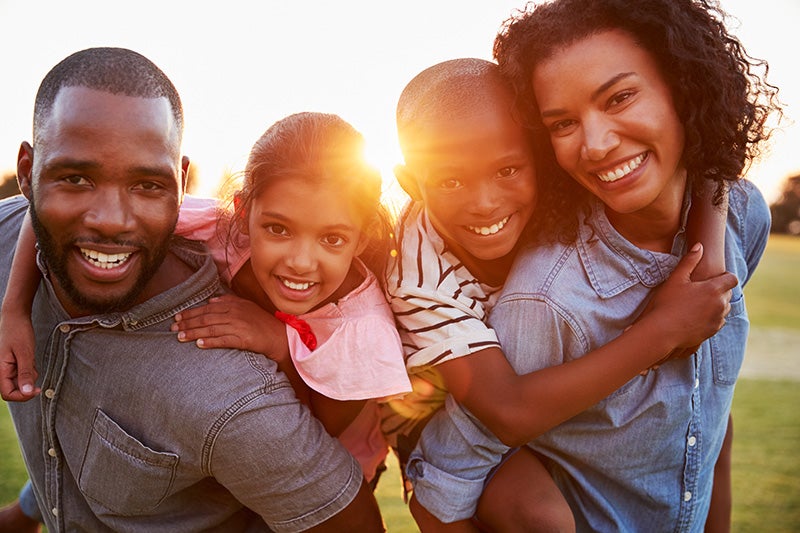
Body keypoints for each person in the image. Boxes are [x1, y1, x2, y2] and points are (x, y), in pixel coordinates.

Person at [406, 0, 778, 531]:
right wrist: (660, 331)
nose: (597, 144)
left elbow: (709, 410)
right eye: (562, 124)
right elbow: (451, 471)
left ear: (682, 83)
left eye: (621, 96)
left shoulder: (743, 213)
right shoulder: (546, 299)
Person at [0, 47, 384, 532]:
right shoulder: (213, 229)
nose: (112, 218)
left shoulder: (256, 387)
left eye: (146, 185)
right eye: (75, 178)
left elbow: (334, 434)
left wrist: (280, 345)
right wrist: (13, 308)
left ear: (178, 183)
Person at [170, 112, 412, 485]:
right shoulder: (220, 233)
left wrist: (278, 342)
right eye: (278, 229)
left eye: (332, 239)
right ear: (243, 211)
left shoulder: (363, 329)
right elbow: (116, 220)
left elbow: (318, 430)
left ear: (362, 239)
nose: (300, 263)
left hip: (339, 473)